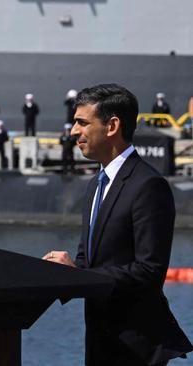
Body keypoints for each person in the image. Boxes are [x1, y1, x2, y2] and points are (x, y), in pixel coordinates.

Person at [43, 84, 192, 365]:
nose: (73, 131)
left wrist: (80, 276)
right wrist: (57, 275)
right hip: (100, 345)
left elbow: (150, 271)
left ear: (112, 126)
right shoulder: (95, 185)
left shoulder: (148, 185)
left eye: (82, 123)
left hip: (135, 350)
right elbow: (87, 261)